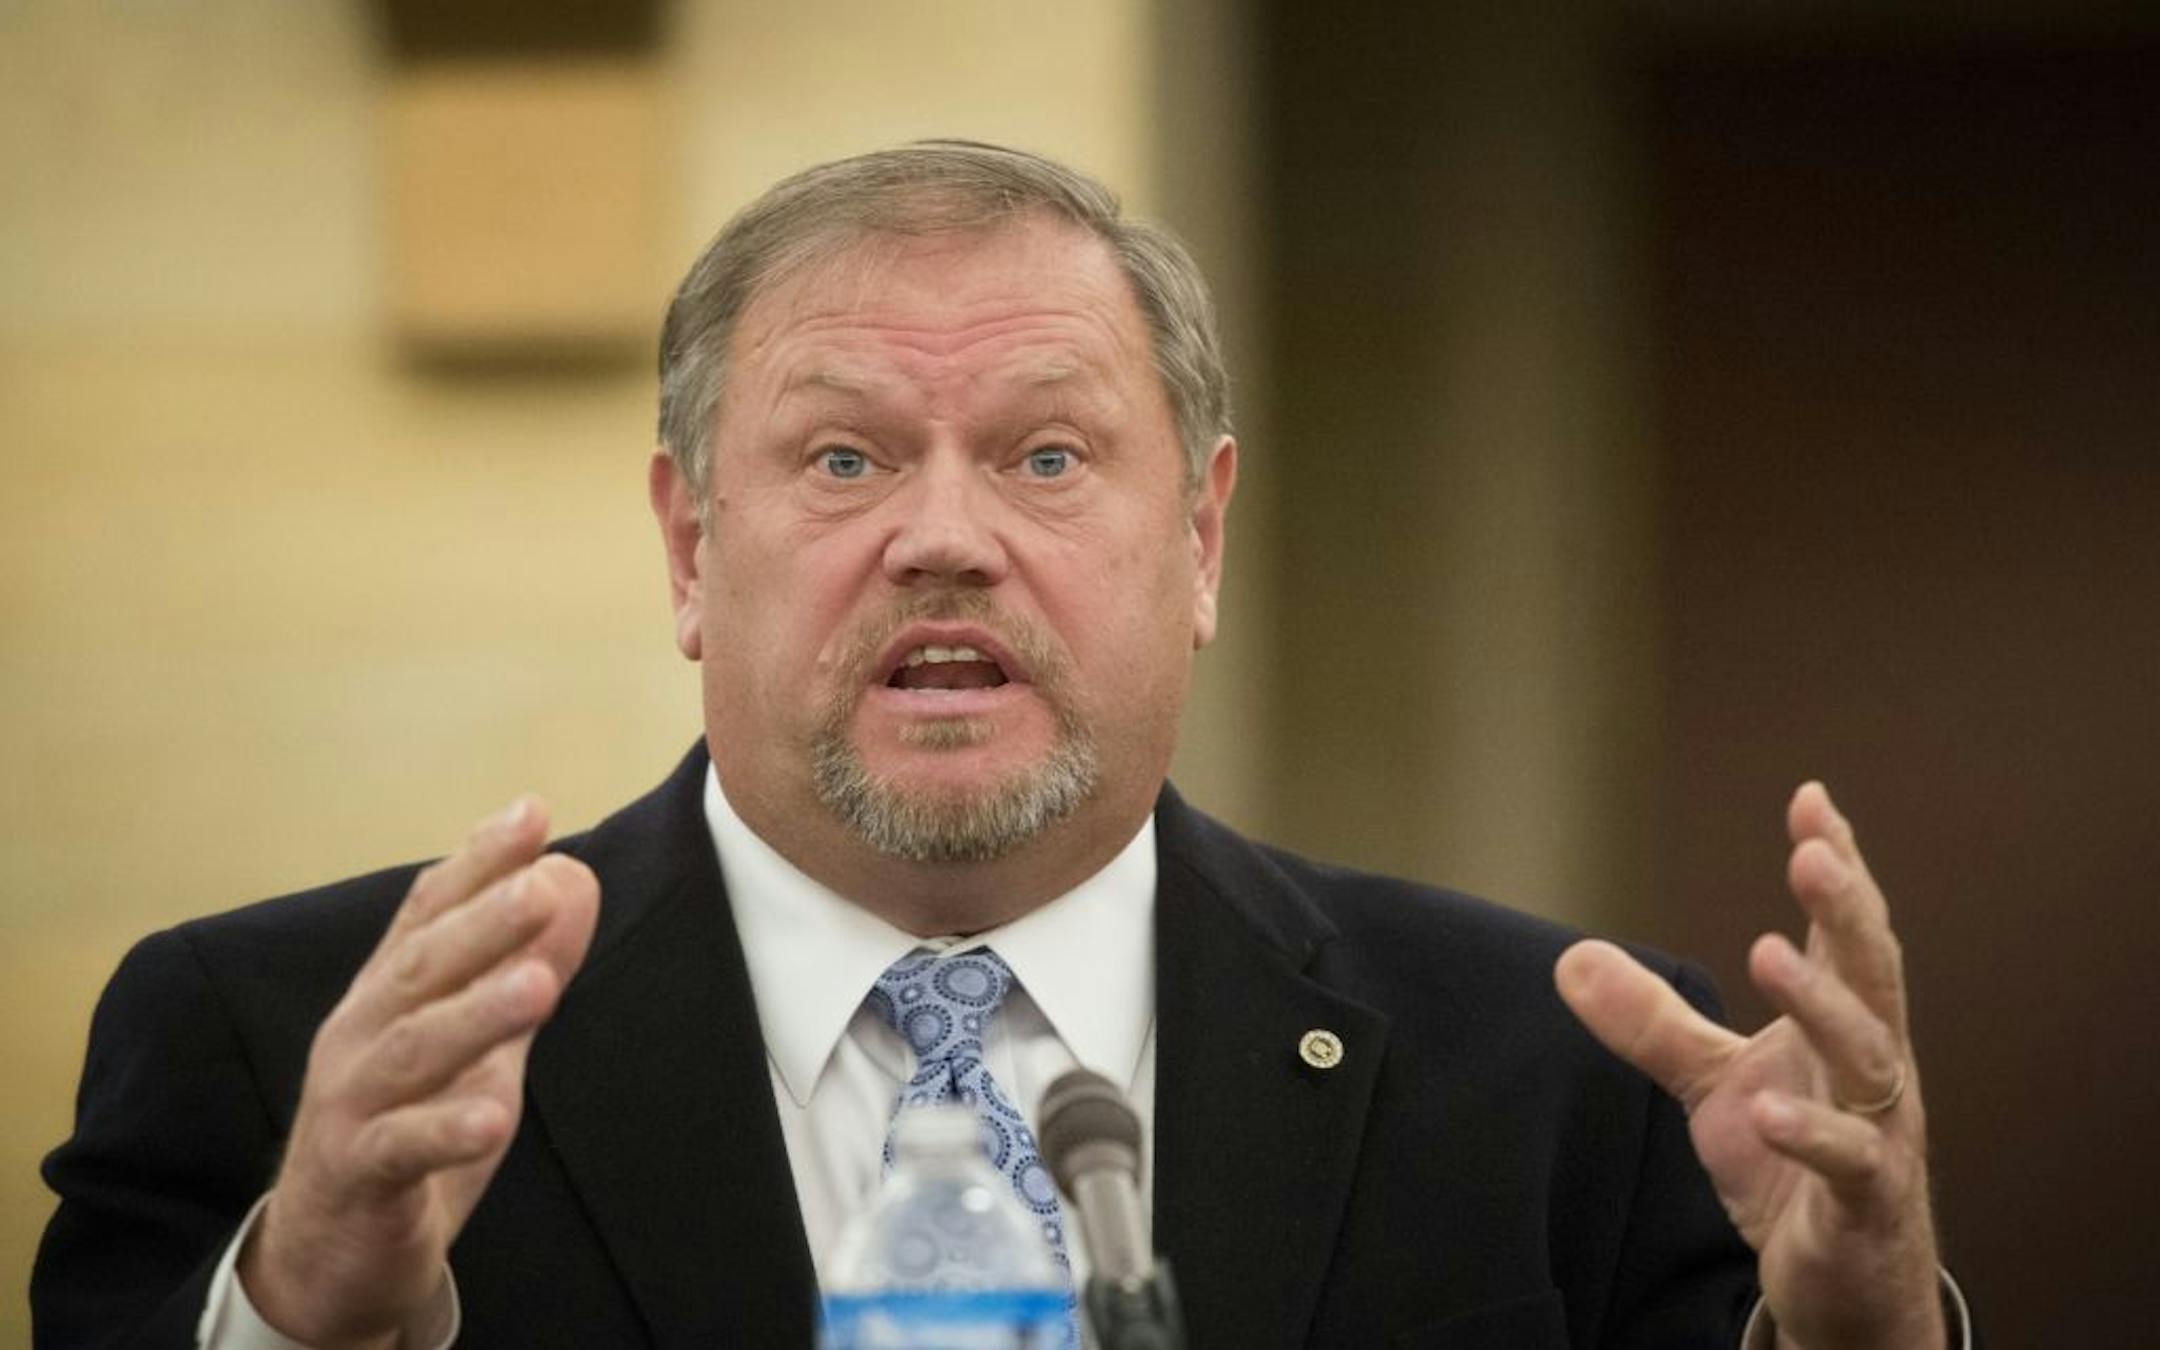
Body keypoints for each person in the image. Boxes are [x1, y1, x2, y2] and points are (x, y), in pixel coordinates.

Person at [35, 141, 1967, 1349]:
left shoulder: (1559, 1086)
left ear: (1199, 539)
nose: (945, 534)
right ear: (692, 546)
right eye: (847, 455)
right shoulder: (288, 1058)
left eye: (1047, 455)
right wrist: (297, 1320)